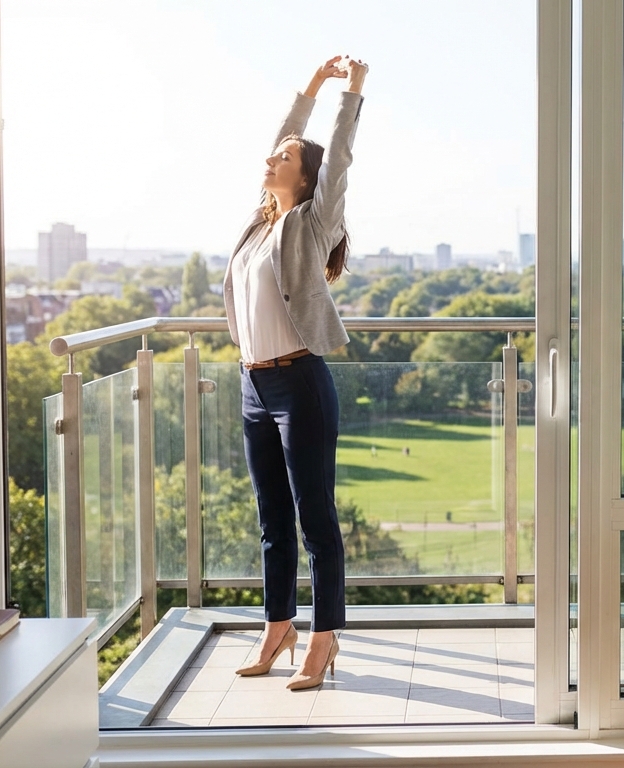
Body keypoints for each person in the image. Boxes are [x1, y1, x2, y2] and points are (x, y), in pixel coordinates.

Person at [225, 54, 368, 691]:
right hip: (254, 384)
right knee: (271, 521)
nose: (273, 159)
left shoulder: (310, 223)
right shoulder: (259, 223)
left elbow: (334, 160)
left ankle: (324, 636)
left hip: (300, 385)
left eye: (286, 157)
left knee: (315, 520)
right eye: (274, 155)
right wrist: (307, 87)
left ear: (304, 178)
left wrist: (349, 93)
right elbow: (282, 141)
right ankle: (276, 625)